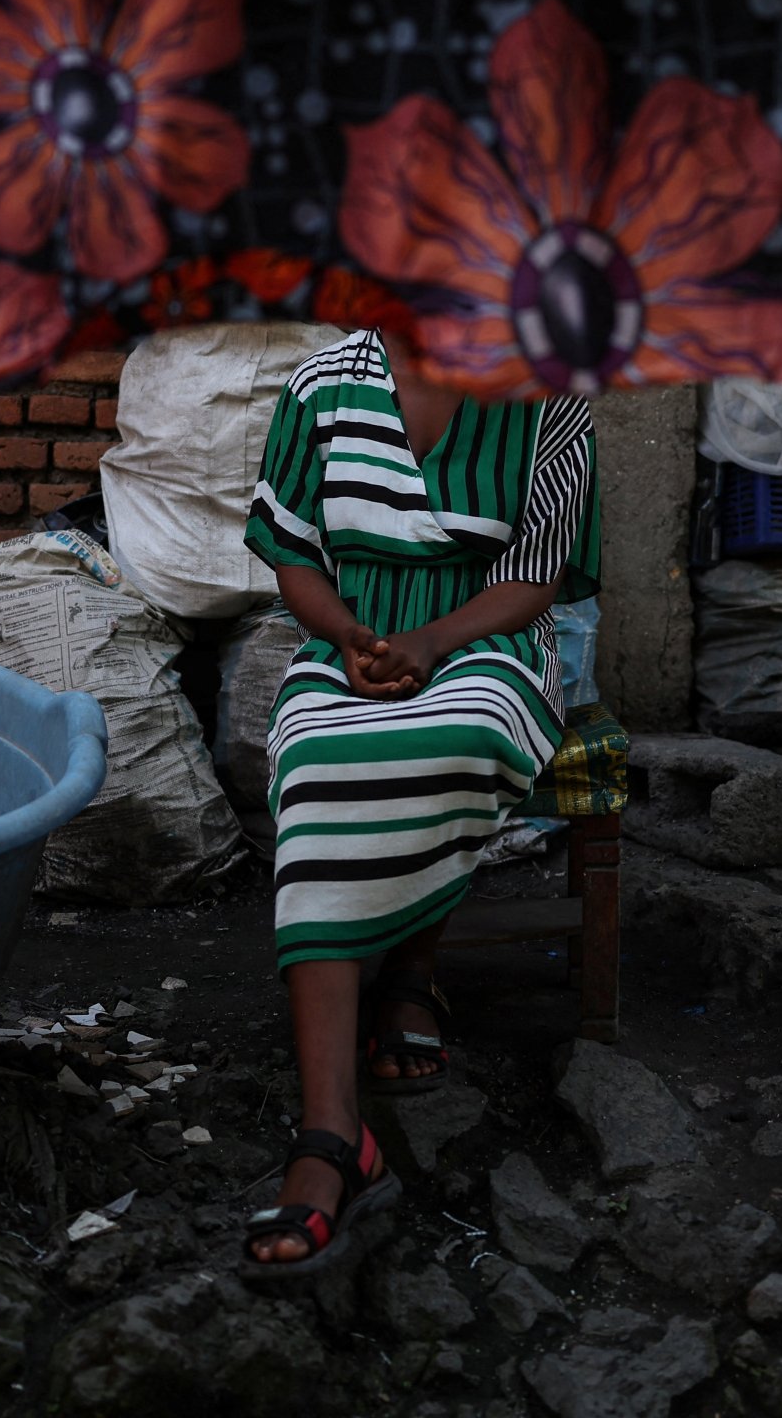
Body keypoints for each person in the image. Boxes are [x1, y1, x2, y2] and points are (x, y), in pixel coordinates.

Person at [233, 329, 597, 1283]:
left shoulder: (547, 392)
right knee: (314, 752)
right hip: (348, 637)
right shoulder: (322, 385)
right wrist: (351, 633)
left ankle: (411, 977)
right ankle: (331, 1135)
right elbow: (294, 555)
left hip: (487, 640)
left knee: (462, 728)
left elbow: (535, 577)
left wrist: (432, 642)